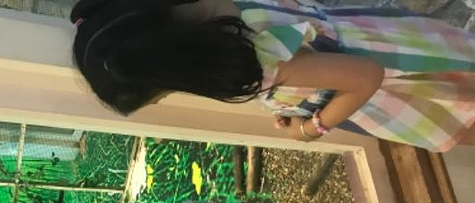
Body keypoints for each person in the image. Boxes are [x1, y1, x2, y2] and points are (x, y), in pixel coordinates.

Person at [70, 0, 475, 152]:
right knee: (459, 57)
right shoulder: (223, 10)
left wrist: (308, 129)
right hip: (383, 37)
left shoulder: (260, 59)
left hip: (401, 87)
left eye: (161, 92)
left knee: (459, 111)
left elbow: (367, 77)